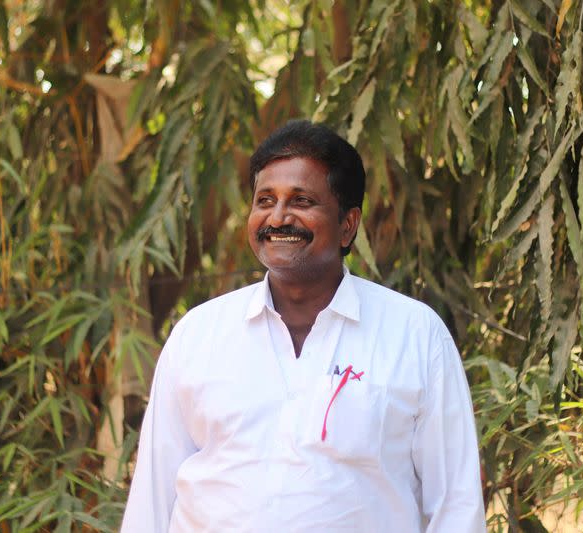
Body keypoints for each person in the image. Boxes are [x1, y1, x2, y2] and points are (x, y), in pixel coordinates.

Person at [121, 120, 486, 532]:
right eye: (264, 200)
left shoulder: (415, 335)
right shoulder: (199, 335)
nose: (278, 217)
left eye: (302, 201)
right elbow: (152, 497)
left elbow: (456, 505)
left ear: (348, 224)